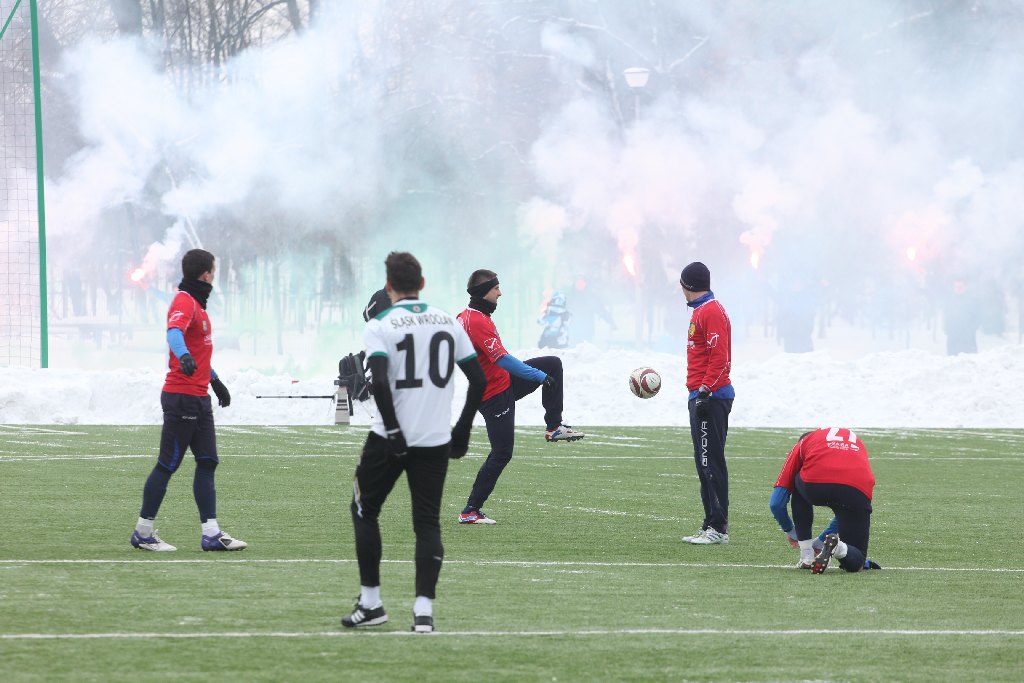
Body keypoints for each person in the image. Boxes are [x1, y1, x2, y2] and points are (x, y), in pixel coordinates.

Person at [341, 252, 486, 634]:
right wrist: (463, 430)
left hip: (391, 437)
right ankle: (423, 613)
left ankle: (371, 603)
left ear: (389, 287)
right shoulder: (448, 321)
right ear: (422, 284)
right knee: (426, 522)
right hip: (436, 439)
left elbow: (382, 381)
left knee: (364, 510)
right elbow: (480, 381)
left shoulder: (381, 323)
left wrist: (394, 432)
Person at [129, 248, 246, 553]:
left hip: (199, 397)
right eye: (214, 271)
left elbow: (199, 351)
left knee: (207, 462)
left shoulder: (199, 306)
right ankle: (143, 531)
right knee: (168, 464)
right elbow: (174, 333)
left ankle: (211, 533)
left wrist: (215, 381)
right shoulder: (184, 301)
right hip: (182, 397)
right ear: (207, 274)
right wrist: (182, 356)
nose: (214, 276)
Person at [456, 269, 585, 525]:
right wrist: (537, 377)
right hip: (495, 395)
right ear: (485, 292)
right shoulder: (477, 322)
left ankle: (554, 426)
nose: (500, 293)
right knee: (502, 453)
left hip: (502, 382)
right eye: (496, 289)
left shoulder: (468, 316)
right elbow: (502, 358)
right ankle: (470, 510)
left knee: (553, 363)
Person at [679, 261, 735, 546]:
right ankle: (710, 522)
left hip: (710, 397)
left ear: (685, 285)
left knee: (709, 460)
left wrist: (704, 391)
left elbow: (720, 356)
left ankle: (718, 528)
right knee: (704, 462)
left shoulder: (710, 311)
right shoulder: (702, 311)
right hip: (702, 394)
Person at [773, 427, 876, 573]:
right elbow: (844, 514)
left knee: (796, 477)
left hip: (814, 485)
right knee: (857, 562)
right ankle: (839, 548)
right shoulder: (855, 443)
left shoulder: (802, 444)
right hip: (858, 489)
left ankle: (806, 555)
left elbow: (776, 503)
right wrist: (822, 541)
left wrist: (791, 531)